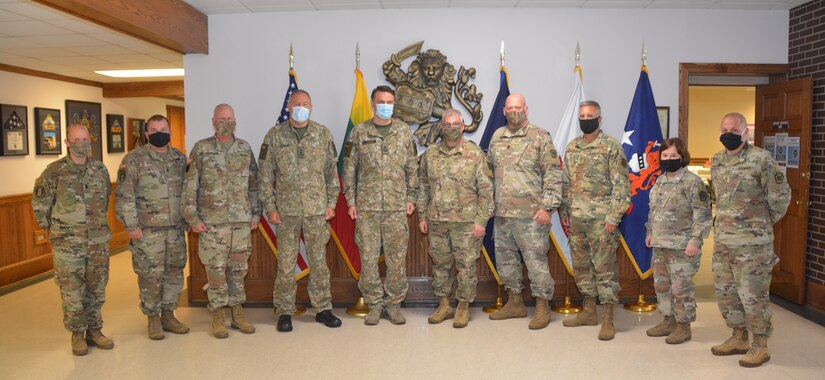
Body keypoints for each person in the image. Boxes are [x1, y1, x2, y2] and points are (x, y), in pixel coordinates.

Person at [709, 112, 790, 367]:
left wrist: (759, 225)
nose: (727, 133)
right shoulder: (717, 160)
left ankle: (760, 344)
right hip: (723, 241)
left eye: (733, 129)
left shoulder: (761, 159)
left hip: (753, 245)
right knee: (727, 294)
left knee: (753, 296)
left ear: (745, 133)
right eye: (724, 128)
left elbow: (780, 198)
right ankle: (739, 336)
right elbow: (718, 198)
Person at [258, 90, 342, 332]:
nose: (301, 107)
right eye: (296, 104)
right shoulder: (274, 135)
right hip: (286, 211)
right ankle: (285, 309)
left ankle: (323, 308)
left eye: (305, 104)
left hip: (317, 209)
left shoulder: (323, 133)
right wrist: (270, 207)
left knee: (319, 261)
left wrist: (331, 204)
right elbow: (265, 176)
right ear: (289, 106)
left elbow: (331, 173)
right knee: (285, 263)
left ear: (311, 106)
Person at [32, 124, 114, 356]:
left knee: (97, 287)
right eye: (76, 139)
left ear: (90, 141)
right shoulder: (54, 171)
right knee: (71, 290)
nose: (81, 143)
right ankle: (77, 333)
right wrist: (57, 232)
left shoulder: (99, 169)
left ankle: (95, 330)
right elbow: (40, 205)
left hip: (97, 241)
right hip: (67, 243)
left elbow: (105, 199)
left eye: (85, 139)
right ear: (67, 142)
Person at [182, 103, 260, 338]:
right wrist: (192, 218)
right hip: (212, 224)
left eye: (229, 117)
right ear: (213, 121)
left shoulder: (245, 149)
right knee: (215, 271)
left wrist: (256, 214)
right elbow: (190, 186)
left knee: (238, 270)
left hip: (240, 223)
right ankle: (217, 315)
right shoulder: (201, 149)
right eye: (221, 118)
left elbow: (254, 185)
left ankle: (237, 313)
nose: (226, 121)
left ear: (235, 119)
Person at [342, 85, 418, 325]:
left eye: (390, 101)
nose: (386, 105)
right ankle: (374, 304)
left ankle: (394, 304)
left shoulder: (404, 132)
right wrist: (351, 201)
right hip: (367, 208)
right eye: (381, 101)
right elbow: (349, 169)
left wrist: (411, 198)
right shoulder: (360, 132)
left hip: (396, 207)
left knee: (397, 259)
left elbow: (412, 168)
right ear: (373, 103)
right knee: (368, 258)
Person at [486, 93, 561, 330]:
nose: (513, 111)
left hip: (532, 215)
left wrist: (547, 207)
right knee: (506, 262)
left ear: (526, 108)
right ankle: (515, 302)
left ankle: (541, 307)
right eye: (509, 108)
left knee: (535, 261)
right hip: (503, 213)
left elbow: (552, 173)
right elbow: (489, 172)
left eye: (518, 107)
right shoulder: (497, 136)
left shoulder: (540, 136)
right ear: (504, 111)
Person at [560, 100, 630, 340]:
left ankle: (608, 318)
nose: (585, 119)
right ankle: (589, 311)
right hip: (577, 219)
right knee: (581, 267)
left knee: (605, 269)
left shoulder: (611, 147)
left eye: (590, 115)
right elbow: (566, 182)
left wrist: (613, 217)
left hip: (602, 221)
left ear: (599, 119)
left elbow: (622, 186)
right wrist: (565, 212)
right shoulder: (572, 147)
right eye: (582, 115)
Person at [115, 114, 189, 340]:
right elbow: (124, 196)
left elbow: (187, 192)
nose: (159, 133)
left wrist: (188, 218)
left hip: (175, 229)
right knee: (150, 276)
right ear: (146, 134)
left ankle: (168, 314)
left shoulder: (179, 159)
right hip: (147, 231)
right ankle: (153, 318)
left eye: (163, 129)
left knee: (174, 273)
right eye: (154, 130)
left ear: (170, 132)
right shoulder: (134, 160)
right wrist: (131, 226)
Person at [417, 109, 493, 328]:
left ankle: (463, 306)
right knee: (439, 265)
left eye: (455, 124)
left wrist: (481, 221)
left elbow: (486, 190)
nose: (450, 129)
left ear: (463, 126)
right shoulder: (430, 154)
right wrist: (422, 215)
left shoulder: (474, 153)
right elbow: (422, 186)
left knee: (466, 266)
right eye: (446, 125)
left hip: (466, 222)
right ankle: (444, 304)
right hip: (437, 220)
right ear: (442, 127)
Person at [644, 138, 712, 344]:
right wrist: (650, 232)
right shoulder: (659, 181)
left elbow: (703, 215)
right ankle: (669, 319)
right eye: (665, 156)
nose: (669, 159)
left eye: (674, 156)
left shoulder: (693, 182)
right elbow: (653, 211)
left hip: (683, 246)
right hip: (660, 244)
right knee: (662, 286)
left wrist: (694, 241)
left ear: (682, 157)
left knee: (680, 288)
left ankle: (683, 326)